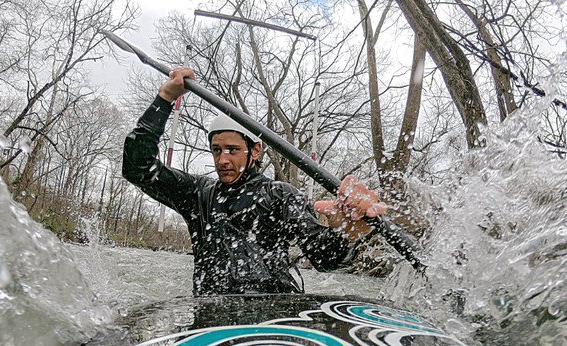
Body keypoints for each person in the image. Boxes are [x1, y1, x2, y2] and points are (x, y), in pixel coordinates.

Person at [123, 67, 387, 295]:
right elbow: (138, 168)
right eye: (217, 150)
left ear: (255, 151)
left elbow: (324, 257)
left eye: (232, 149)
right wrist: (165, 98)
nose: (222, 159)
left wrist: (346, 232)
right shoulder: (197, 195)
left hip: (273, 313)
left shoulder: (281, 196)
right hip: (210, 312)